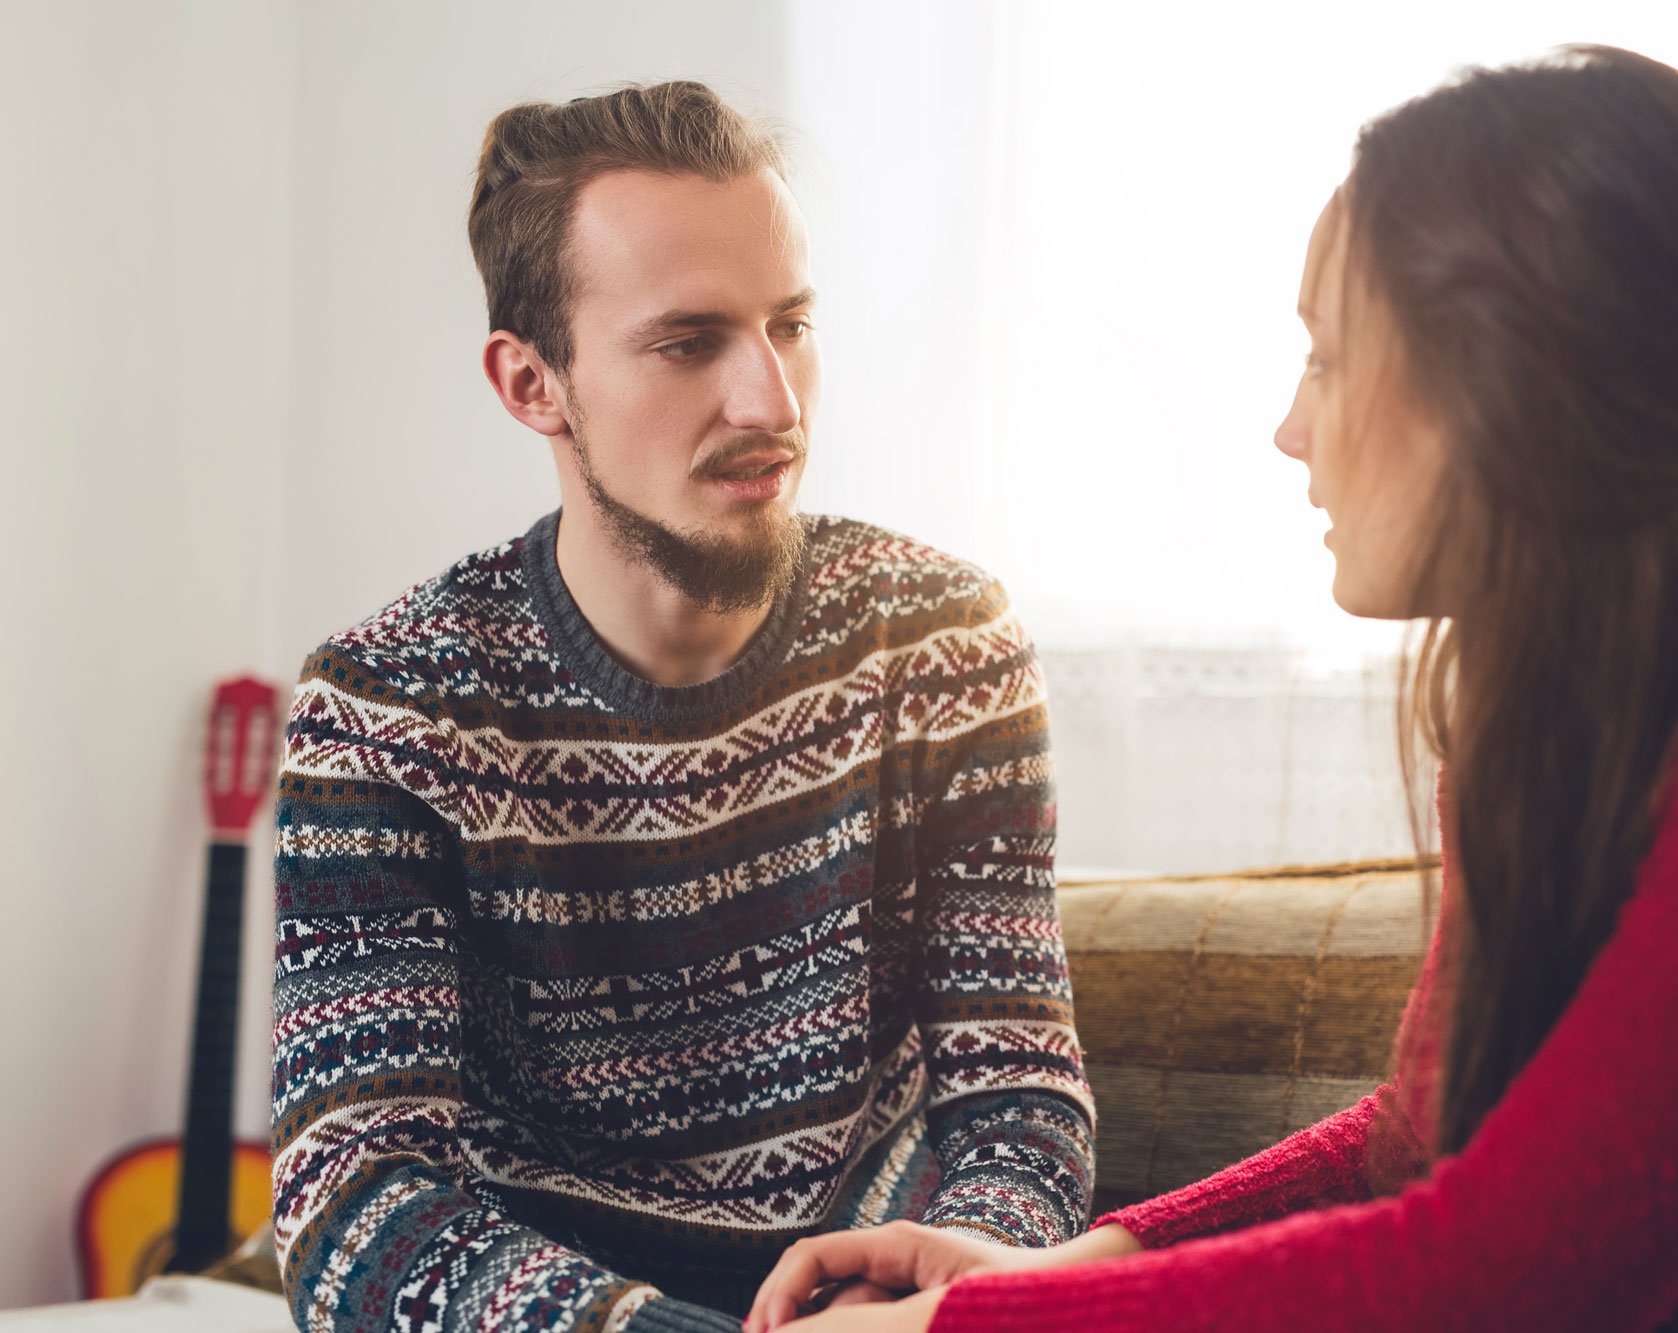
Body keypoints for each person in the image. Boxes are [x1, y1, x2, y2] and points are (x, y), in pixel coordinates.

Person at [744, 45, 1678, 1332]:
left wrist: (950, 1330)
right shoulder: (1575, 686)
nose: (1292, 428)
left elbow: (1499, 1268)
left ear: (1501, 381)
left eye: (1327, 358)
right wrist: (1081, 1263)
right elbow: (1429, 1134)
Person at [267, 81, 1095, 1333]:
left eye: (792, 324)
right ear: (532, 383)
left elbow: (1015, 1094)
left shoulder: (942, 640)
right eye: (688, 341)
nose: (773, 402)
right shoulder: (389, 706)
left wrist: (949, 1276)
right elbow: (351, 1194)